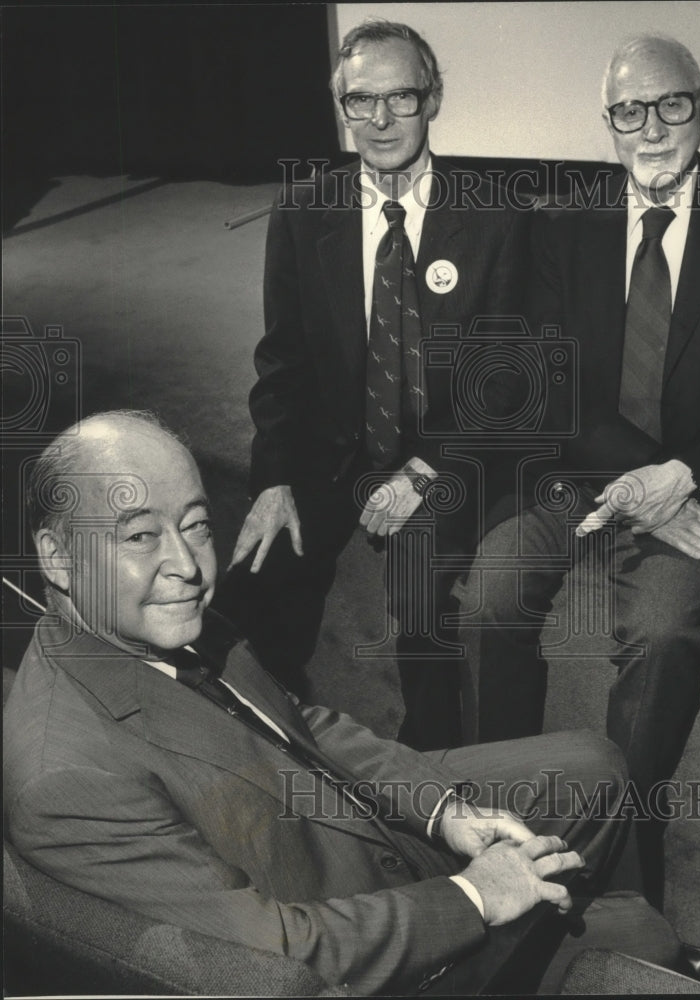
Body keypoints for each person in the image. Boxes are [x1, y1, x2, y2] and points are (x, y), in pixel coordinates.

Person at [2, 410, 696, 996]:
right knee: (643, 938)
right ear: (57, 558)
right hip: (354, 946)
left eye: (196, 525)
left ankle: (593, 931)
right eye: (139, 536)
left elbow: (301, 725)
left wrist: (443, 810)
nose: (187, 565)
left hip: (357, 834)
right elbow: (277, 957)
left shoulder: (155, 615)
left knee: (597, 764)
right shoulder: (66, 780)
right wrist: (476, 896)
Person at [460, 34, 700, 907]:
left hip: (699, 485)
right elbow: (543, 380)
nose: (650, 129)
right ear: (606, 121)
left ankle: (621, 869)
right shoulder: (563, 217)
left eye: (670, 105)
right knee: (489, 595)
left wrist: (680, 478)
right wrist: (647, 489)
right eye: (628, 111)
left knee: (659, 637)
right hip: (580, 476)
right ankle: (506, 814)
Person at [217, 18, 536, 751]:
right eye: (361, 101)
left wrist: (425, 472)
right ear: (341, 107)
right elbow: (283, 365)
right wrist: (273, 480)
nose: (381, 120)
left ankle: (434, 784)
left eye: (401, 97)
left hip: (445, 453)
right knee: (255, 580)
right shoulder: (304, 210)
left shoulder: (495, 216)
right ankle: (270, 751)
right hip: (339, 449)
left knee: (422, 603)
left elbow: (504, 382)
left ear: (434, 99)